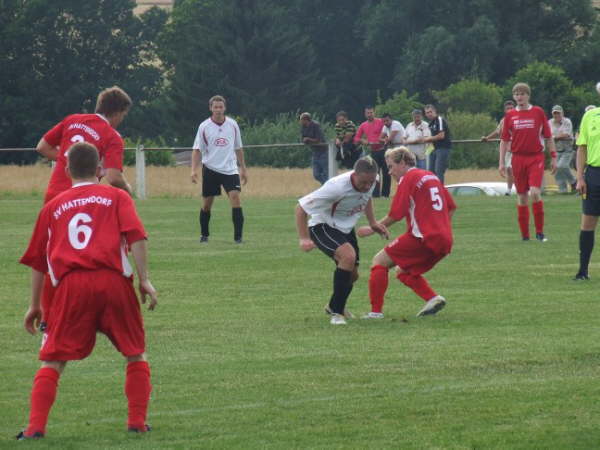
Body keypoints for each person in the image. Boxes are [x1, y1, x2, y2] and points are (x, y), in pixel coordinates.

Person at [17, 142, 158, 440]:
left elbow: (38, 262)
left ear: (67, 170)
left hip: (72, 286)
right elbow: (137, 236)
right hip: (113, 282)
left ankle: (34, 428)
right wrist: (144, 279)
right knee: (135, 352)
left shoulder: (52, 207)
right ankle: (136, 422)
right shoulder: (117, 196)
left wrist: (34, 305)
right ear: (99, 170)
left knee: (53, 358)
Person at [35, 86, 134, 331]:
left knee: (53, 256)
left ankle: (48, 319)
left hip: (54, 196)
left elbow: (42, 148)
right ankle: (94, 314)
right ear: (118, 112)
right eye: (123, 115)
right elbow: (114, 177)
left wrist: (67, 161)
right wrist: (129, 190)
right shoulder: (111, 136)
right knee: (88, 254)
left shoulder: (72, 120)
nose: (122, 120)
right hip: (84, 199)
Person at [359, 147, 456, 319]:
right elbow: (450, 207)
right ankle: (433, 299)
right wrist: (439, 226)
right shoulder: (431, 176)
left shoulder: (408, 178)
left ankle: (375, 313)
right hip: (445, 239)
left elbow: (396, 214)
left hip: (422, 237)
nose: (389, 172)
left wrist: (372, 227)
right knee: (403, 271)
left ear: (403, 163)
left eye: (391, 166)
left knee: (379, 261)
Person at [295, 156, 388, 325]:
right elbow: (301, 208)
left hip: (345, 228)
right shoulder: (336, 187)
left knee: (352, 275)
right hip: (322, 225)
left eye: (371, 182)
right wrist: (303, 238)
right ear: (355, 175)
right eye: (363, 183)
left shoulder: (372, 178)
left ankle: (332, 305)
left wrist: (373, 222)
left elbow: (366, 197)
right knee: (348, 256)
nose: (367, 186)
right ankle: (337, 313)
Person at [500, 83, 557, 242]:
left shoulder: (537, 112)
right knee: (522, 196)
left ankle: (540, 233)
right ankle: (525, 236)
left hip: (535, 157)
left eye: (522, 94)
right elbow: (504, 141)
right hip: (517, 158)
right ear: (514, 96)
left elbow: (548, 136)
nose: (519, 97)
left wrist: (553, 157)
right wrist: (501, 163)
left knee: (535, 192)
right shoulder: (510, 115)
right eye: (517, 94)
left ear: (528, 95)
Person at [191, 95, 248, 243]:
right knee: (207, 204)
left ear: (225, 108)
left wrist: (243, 168)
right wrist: (193, 170)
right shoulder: (204, 127)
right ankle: (204, 235)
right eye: (215, 107)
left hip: (230, 169)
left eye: (220, 107)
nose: (218, 110)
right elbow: (197, 150)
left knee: (235, 198)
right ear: (210, 108)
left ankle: (238, 238)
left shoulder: (233, 125)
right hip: (210, 169)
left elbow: (238, 147)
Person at [574, 105, 600, 280]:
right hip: (594, 174)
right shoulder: (590, 115)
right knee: (588, 222)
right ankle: (583, 271)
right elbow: (582, 148)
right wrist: (580, 178)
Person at [482, 100, 516, 195]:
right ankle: (509, 190)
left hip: (518, 149)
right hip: (508, 149)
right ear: (505, 110)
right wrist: (487, 138)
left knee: (513, 169)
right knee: (509, 170)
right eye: (507, 108)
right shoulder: (503, 121)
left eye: (511, 108)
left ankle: (523, 188)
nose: (509, 110)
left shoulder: (518, 118)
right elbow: (497, 132)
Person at [354, 106, 387, 197]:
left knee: (386, 172)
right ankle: (376, 195)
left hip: (384, 150)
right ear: (365, 114)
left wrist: (385, 139)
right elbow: (356, 138)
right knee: (375, 173)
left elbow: (388, 130)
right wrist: (362, 141)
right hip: (373, 151)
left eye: (371, 112)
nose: (369, 114)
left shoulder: (381, 121)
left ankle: (385, 194)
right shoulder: (363, 125)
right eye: (368, 113)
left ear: (374, 112)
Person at [549, 105, 576, 193]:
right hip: (555, 149)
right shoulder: (549, 122)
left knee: (562, 166)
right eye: (554, 113)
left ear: (562, 113)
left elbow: (566, 135)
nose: (556, 115)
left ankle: (573, 182)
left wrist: (554, 137)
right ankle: (562, 190)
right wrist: (557, 136)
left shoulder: (567, 121)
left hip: (567, 149)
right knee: (557, 169)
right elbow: (547, 136)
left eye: (558, 113)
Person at [423, 104, 452, 184]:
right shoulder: (430, 124)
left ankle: (440, 191)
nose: (429, 114)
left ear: (435, 111)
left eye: (430, 112)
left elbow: (441, 135)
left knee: (439, 170)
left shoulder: (439, 119)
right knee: (430, 171)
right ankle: (433, 190)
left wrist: (428, 139)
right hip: (434, 148)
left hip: (443, 148)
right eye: (427, 113)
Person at [299, 112, 328, 184]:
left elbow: (319, 140)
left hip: (323, 152)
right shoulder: (303, 127)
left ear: (306, 120)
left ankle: (327, 187)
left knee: (326, 173)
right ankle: (326, 185)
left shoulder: (316, 125)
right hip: (315, 152)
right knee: (316, 175)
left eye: (301, 120)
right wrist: (304, 140)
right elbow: (302, 138)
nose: (300, 122)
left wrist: (308, 139)